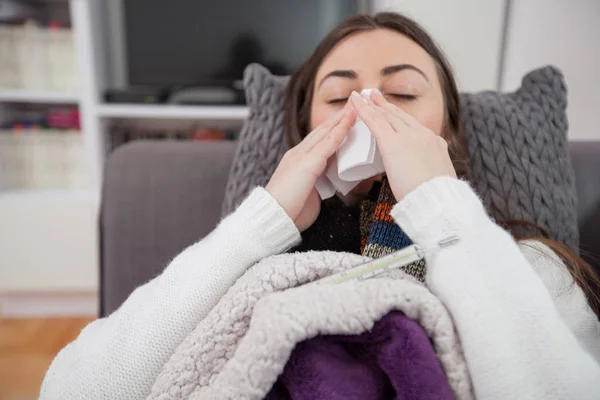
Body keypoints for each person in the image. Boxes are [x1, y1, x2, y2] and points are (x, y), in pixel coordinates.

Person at [41, 12, 600, 399]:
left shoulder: (522, 266)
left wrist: (442, 208)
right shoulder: (247, 267)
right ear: (306, 131)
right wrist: (259, 224)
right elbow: (74, 389)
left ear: (448, 134)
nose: (369, 108)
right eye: (339, 97)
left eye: (402, 94)